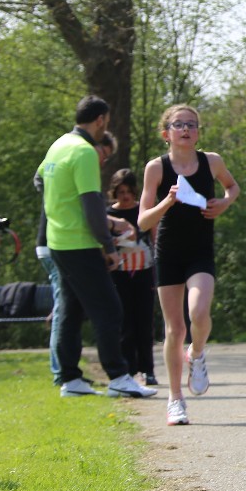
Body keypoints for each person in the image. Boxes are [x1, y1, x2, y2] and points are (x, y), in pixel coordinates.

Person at [35, 95, 157, 399]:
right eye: (107, 121)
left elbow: (39, 180)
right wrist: (108, 245)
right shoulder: (85, 151)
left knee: (71, 310)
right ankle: (118, 376)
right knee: (109, 309)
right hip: (79, 242)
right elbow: (91, 203)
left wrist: (60, 207)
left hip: (57, 240)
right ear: (100, 119)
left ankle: (70, 380)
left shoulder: (59, 145)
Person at [138, 104, 240, 425]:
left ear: (197, 132)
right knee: (174, 329)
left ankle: (196, 353)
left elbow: (233, 187)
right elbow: (143, 221)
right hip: (168, 252)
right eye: (178, 124)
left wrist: (224, 203)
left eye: (191, 124)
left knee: (198, 313)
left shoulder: (212, 162)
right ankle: (175, 399)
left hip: (200, 251)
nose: (185, 129)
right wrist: (167, 202)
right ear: (165, 133)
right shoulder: (156, 168)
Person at [108, 169, 158, 385]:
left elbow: (155, 239)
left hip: (144, 271)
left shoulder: (143, 211)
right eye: (121, 192)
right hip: (118, 274)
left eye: (129, 191)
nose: (125, 196)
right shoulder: (109, 215)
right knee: (125, 323)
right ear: (114, 192)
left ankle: (148, 370)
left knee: (144, 322)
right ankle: (128, 369)